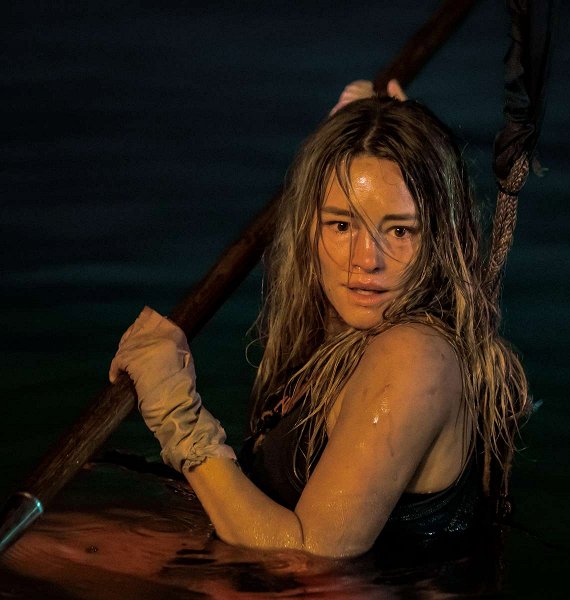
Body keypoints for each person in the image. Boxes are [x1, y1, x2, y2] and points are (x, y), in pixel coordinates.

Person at [108, 78, 531, 559]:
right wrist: (362, 141)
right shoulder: (359, 332)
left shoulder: (414, 357)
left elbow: (309, 561)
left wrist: (178, 417)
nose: (365, 259)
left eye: (399, 230)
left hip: (324, 582)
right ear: (308, 228)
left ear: (440, 238)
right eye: (341, 224)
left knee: (48, 553)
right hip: (248, 566)